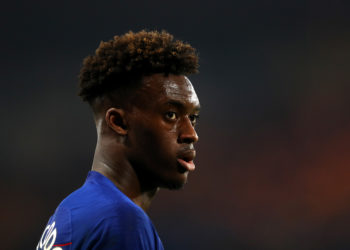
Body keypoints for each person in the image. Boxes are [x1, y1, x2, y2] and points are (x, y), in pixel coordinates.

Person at [36, 30, 201, 250]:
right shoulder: (122, 221)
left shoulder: (70, 211)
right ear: (119, 122)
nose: (191, 134)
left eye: (193, 118)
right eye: (170, 115)